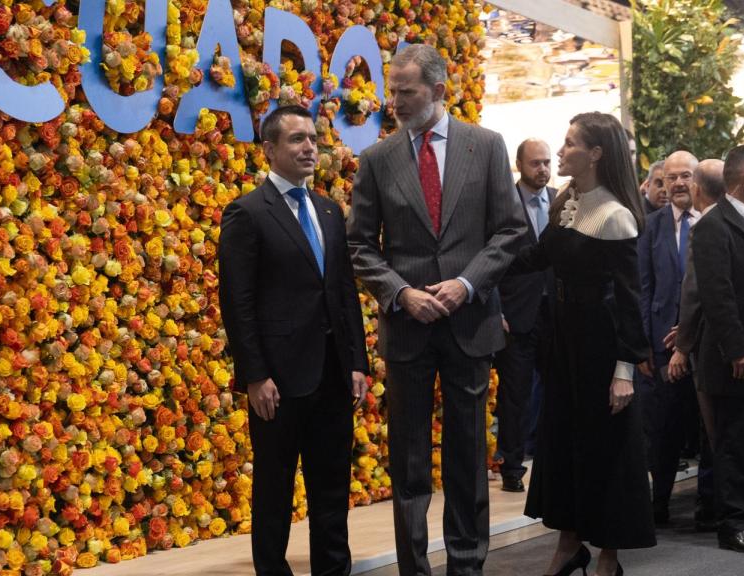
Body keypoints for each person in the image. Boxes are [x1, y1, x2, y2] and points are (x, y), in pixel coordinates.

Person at [347, 43, 527, 575]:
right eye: (393, 90)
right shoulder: (377, 159)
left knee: (469, 456)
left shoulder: (486, 146)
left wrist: (466, 285)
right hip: (407, 327)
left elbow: (511, 230)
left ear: (439, 90)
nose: (395, 101)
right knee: (408, 460)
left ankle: (466, 565)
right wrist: (401, 292)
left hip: (469, 322)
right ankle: (413, 568)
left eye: (407, 91)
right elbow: (360, 245)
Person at [218, 105, 370, 575]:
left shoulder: (328, 210)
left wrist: (357, 361)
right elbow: (237, 302)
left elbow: (344, 292)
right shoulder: (246, 212)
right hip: (278, 382)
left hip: (332, 375)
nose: (309, 148)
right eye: (297, 139)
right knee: (274, 489)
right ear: (269, 149)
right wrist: (256, 374)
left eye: (312, 138)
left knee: (332, 489)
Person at [514, 112, 655, 576]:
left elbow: (629, 304)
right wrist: (475, 266)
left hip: (601, 350)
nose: (561, 151)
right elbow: (537, 258)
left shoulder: (617, 216)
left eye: (571, 143)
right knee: (566, 447)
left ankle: (608, 559)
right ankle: (569, 546)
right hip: (565, 347)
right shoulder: (566, 201)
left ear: (595, 154)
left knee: (607, 453)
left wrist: (624, 371)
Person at [691, 144, 744, 553]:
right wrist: (737, 349)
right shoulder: (713, 226)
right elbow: (717, 296)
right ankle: (733, 524)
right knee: (734, 443)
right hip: (735, 360)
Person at [637, 150, 700, 525]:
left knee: (709, 430)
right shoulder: (651, 226)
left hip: (706, 345)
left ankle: (711, 506)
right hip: (662, 346)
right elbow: (643, 288)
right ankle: (658, 504)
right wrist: (643, 343)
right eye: (669, 178)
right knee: (663, 430)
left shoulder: (710, 222)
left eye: (684, 176)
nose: (676, 183)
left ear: (697, 180)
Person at [666, 158, 726, 532]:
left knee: (719, 433)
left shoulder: (706, 226)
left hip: (713, 348)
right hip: (727, 343)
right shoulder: (742, 221)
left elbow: (696, 292)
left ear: (698, 188)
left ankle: (730, 513)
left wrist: (683, 344)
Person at [495, 138, 557, 493]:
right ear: (519, 164)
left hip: (556, 313)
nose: (543, 169)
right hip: (516, 315)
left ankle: (552, 461)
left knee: (557, 390)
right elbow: (493, 261)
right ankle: (513, 467)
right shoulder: (504, 204)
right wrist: (496, 311)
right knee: (515, 395)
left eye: (547, 162)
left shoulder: (562, 201)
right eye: (535, 163)